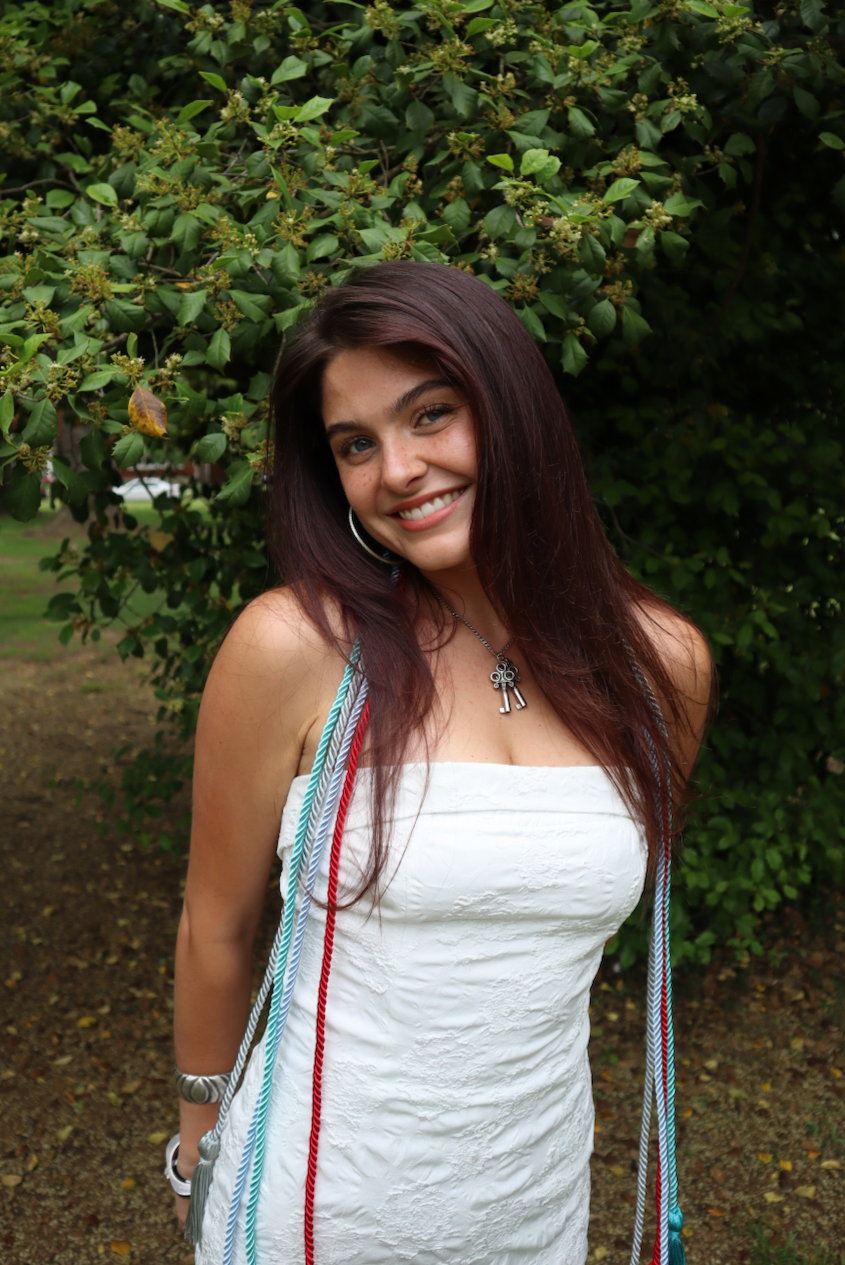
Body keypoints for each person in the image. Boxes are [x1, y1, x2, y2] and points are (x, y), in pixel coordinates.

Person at [169, 261, 713, 1265]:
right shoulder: (292, 650)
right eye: (355, 445)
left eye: (431, 413)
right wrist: (198, 1139)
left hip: (533, 1214)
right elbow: (217, 919)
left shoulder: (657, 667)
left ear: (510, 409)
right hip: (306, 1220)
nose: (398, 469)